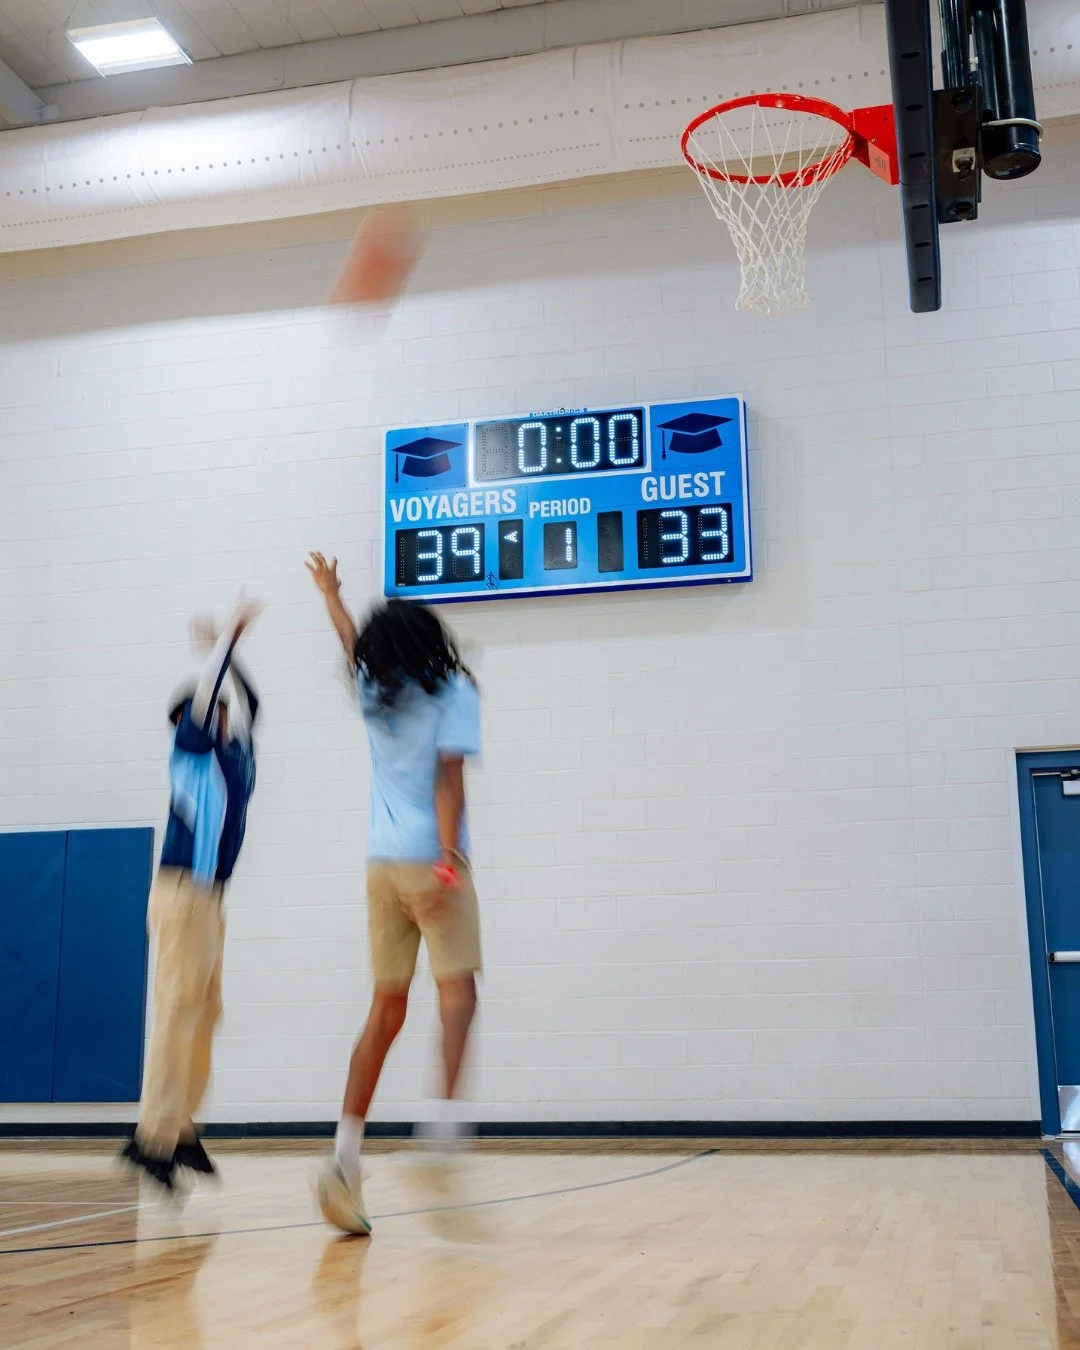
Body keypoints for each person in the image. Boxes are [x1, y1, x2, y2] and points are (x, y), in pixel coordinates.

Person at [306, 553, 482, 1237]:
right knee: (459, 994)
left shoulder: (371, 688)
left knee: (385, 1012)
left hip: (380, 868)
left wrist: (331, 594)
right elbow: (447, 780)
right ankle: (439, 1138)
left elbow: (348, 641)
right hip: (428, 861)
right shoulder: (453, 692)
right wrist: (448, 860)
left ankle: (345, 1159)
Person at [120, 601, 261, 1191]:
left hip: (210, 901)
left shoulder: (235, 757)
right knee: (178, 1011)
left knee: (205, 1012)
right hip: (181, 893)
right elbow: (207, 694)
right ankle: (149, 1139)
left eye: (223, 710)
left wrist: (233, 656)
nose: (222, 714)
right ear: (187, 719)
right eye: (211, 710)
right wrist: (224, 641)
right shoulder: (190, 750)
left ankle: (179, 1127)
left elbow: (250, 704)